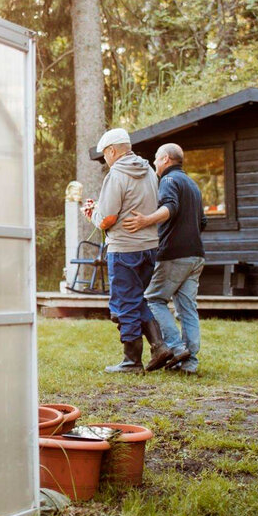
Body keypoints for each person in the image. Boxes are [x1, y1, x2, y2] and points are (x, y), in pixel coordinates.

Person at [83, 128, 173, 373]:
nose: (106, 159)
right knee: (136, 298)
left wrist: (93, 215)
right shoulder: (149, 173)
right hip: (149, 247)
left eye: (105, 155)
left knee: (125, 303)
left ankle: (132, 361)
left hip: (124, 248)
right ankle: (159, 346)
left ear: (113, 151)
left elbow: (108, 219)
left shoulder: (117, 175)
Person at [122, 143, 206, 374]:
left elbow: (170, 207)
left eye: (157, 159)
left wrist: (145, 221)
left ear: (166, 159)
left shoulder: (169, 181)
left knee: (154, 299)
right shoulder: (192, 185)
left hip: (174, 254)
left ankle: (177, 348)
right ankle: (189, 363)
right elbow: (203, 222)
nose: (155, 164)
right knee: (187, 308)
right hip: (196, 255)